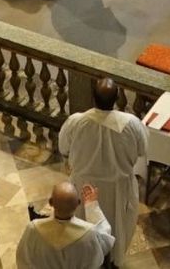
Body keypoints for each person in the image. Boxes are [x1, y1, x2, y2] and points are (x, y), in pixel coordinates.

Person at [58, 77, 147, 265]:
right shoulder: (132, 124)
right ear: (116, 99)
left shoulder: (76, 122)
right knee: (117, 228)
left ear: (93, 97)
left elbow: (63, 147)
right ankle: (112, 260)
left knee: (83, 229)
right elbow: (142, 150)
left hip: (85, 187)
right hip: (118, 189)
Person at [17, 181, 112, 269]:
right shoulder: (89, 233)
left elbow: (23, 260)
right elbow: (105, 240)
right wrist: (91, 205)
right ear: (78, 203)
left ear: (50, 202)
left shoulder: (33, 229)